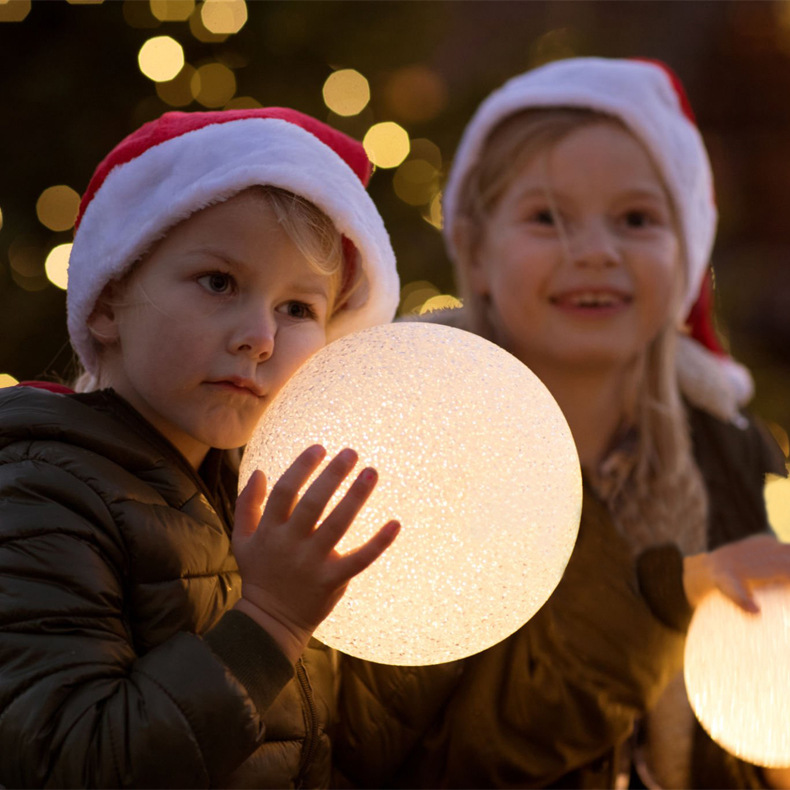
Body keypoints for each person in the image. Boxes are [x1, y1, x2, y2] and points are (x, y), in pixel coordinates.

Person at [333, 57, 790, 789]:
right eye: (547, 218)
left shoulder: (727, 451)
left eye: (637, 219)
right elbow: (443, 758)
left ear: (687, 253)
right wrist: (671, 591)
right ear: (478, 253)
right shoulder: (417, 449)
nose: (596, 252)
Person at [0, 107, 403, 788]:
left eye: (299, 308)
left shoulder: (264, 502)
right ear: (106, 299)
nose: (260, 337)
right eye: (219, 282)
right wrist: (271, 619)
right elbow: (72, 760)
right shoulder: (41, 494)